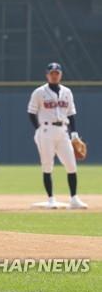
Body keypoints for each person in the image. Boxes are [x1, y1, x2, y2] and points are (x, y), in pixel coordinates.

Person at [27, 62, 88, 209]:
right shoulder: (39, 92)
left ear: (60, 75)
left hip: (63, 131)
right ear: (47, 75)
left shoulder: (67, 92)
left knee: (71, 164)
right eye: (52, 73)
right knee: (47, 165)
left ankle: (74, 199)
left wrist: (74, 133)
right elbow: (31, 112)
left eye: (57, 73)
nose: (54, 76)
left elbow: (71, 114)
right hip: (46, 130)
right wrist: (39, 129)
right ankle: (51, 199)